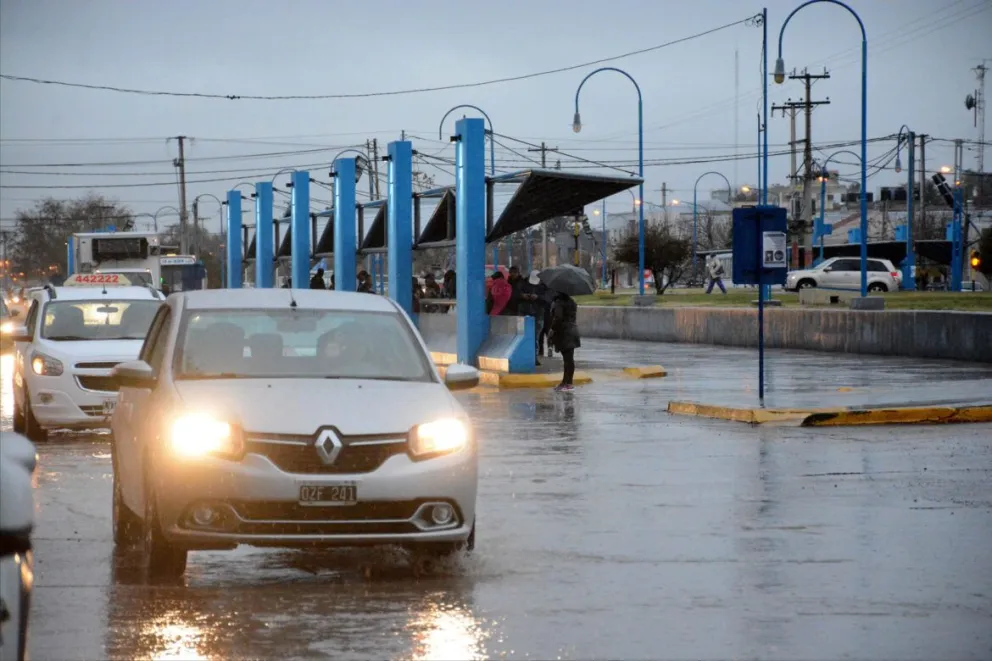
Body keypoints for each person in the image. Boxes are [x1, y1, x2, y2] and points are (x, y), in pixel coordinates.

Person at [549, 291, 580, 391]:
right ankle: (566, 382)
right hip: (572, 331)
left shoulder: (559, 303)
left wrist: (552, 329)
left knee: (568, 360)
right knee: (569, 359)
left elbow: (558, 318)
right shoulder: (571, 302)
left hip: (564, 333)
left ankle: (567, 383)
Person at [521, 270, 549, 366]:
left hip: (538, 314)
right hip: (526, 314)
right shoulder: (524, 285)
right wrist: (523, 296)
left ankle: (534, 357)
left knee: (535, 337)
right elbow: (517, 295)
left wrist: (538, 297)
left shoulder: (544, 287)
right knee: (525, 336)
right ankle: (526, 356)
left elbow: (547, 299)